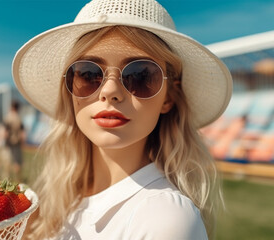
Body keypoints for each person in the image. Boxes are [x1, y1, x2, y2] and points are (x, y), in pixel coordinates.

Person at [12, 0, 232, 239]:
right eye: (89, 73)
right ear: (70, 88)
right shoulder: (61, 201)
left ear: (169, 97)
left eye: (140, 75)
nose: (110, 91)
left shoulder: (165, 219)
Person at [4, 101, 26, 182]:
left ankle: (7, 179)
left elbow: (5, 132)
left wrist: (5, 142)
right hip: (17, 142)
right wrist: (22, 143)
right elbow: (23, 133)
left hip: (9, 142)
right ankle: (18, 179)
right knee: (17, 162)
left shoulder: (8, 117)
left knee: (8, 161)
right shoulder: (19, 118)